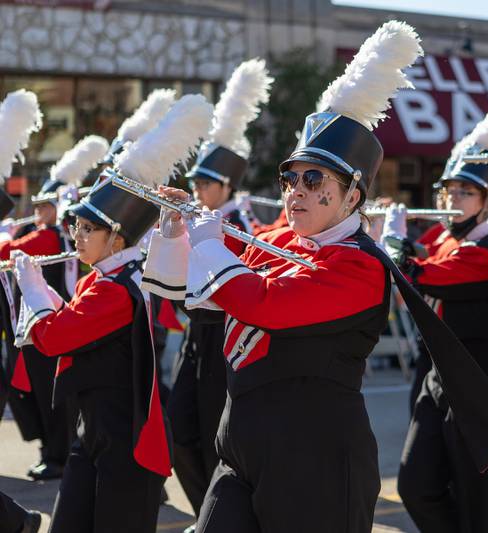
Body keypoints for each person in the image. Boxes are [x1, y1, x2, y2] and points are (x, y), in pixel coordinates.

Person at [143, 21, 488, 533]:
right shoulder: (276, 242)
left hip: (314, 457)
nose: (295, 189)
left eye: (313, 179)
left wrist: (209, 241)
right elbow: (189, 292)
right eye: (290, 177)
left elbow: (263, 303)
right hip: (242, 443)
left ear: (352, 196)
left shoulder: (359, 264)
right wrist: (176, 229)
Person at [11, 92, 214, 533]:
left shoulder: (116, 290)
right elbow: (71, 326)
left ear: (118, 240)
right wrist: (42, 290)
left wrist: (32, 289)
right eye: (75, 227)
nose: (76, 236)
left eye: (88, 229)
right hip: (94, 434)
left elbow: (55, 337)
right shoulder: (99, 280)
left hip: (127, 444)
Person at [389, 79, 488, 533]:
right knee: (415, 485)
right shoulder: (451, 238)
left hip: (483, 387)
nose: (450, 201)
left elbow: (427, 272)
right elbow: (424, 254)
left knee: (480, 508)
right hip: (441, 379)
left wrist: (397, 247)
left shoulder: (486, 251)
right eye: (447, 191)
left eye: (463, 193)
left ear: (485, 204)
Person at [163, 59, 271, 527]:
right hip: (194, 333)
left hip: (225, 333)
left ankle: (219, 518)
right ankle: (204, 513)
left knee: (213, 431)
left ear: (227, 185)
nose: (198, 188)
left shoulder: (243, 225)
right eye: (197, 181)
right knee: (179, 430)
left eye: (206, 182)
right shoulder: (194, 216)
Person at [0, 135, 105, 482]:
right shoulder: (48, 232)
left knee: (52, 397)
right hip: (47, 321)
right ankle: (52, 451)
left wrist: (6, 235)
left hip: (53, 321)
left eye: (46, 206)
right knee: (36, 394)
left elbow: (8, 253)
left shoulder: (48, 236)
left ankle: (57, 455)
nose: (38, 213)